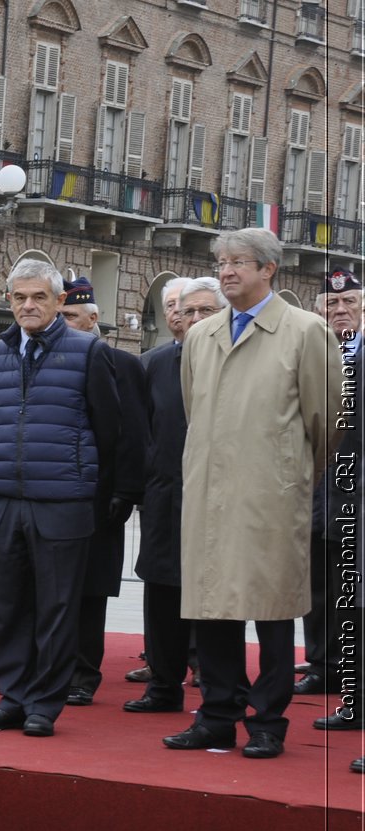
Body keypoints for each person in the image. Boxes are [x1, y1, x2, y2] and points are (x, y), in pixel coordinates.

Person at [165, 229, 340, 759]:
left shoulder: (305, 331)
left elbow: (325, 419)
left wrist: (285, 469)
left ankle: (267, 722)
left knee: (271, 611)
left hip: (270, 494)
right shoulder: (202, 335)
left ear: (269, 269)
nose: (226, 271)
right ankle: (218, 715)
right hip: (210, 494)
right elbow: (195, 411)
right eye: (221, 262)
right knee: (212, 609)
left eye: (240, 262)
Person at [0, 258, 121, 738]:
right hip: (5, 502)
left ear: (59, 301)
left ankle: (44, 705)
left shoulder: (88, 353)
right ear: (9, 301)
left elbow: (112, 432)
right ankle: (12, 697)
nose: (28, 305)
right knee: (9, 608)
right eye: (19, 297)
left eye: (39, 297)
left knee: (56, 610)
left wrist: (99, 496)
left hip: (62, 503)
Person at [59, 276, 147, 706]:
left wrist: (125, 492)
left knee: (90, 592)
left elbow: (132, 435)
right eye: (63, 317)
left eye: (74, 317)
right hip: (56, 492)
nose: (68, 324)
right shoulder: (47, 360)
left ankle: (82, 673)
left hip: (100, 498)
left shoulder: (123, 365)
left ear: (94, 319)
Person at [125, 276, 208, 715]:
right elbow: (140, 432)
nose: (189, 318)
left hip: (216, 501)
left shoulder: (233, 358)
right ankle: (163, 684)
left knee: (211, 595)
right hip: (164, 498)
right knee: (160, 593)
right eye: (182, 309)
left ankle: (214, 687)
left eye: (201, 311)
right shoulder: (153, 364)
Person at [307, 269, 363, 729]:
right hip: (314, 489)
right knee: (318, 582)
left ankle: (351, 679)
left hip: (356, 492)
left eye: (348, 304)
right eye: (331, 305)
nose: (340, 311)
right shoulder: (312, 356)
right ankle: (323, 666)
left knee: (352, 591)